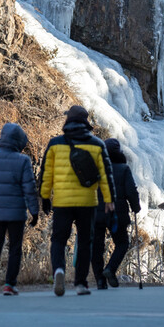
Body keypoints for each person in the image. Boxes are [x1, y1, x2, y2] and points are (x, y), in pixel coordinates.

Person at [39, 105, 116, 297]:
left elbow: (46, 174)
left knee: (58, 239)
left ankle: (58, 271)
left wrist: (45, 196)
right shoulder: (97, 144)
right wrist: (109, 199)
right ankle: (81, 283)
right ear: (85, 122)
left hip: (62, 202)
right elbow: (106, 175)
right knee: (84, 241)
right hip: (87, 202)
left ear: (68, 121)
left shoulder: (55, 143)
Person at [0, 122, 40, 295]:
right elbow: (29, 188)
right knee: (15, 248)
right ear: (19, 142)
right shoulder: (23, 161)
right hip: (16, 213)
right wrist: (34, 211)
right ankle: (9, 285)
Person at [91, 138, 140, 289]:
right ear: (119, 152)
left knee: (96, 247)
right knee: (122, 243)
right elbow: (131, 190)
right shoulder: (124, 169)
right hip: (117, 212)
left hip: (96, 212)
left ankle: (100, 280)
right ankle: (110, 268)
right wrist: (135, 206)